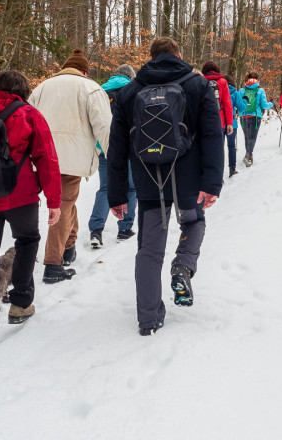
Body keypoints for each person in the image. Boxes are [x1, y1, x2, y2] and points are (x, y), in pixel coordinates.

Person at [107, 37, 224, 336]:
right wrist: (212, 182)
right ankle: (183, 265)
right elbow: (213, 134)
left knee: (149, 250)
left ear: (151, 57)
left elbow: (117, 147)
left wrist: (117, 194)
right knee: (194, 221)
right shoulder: (197, 85)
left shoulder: (130, 91)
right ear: (179, 55)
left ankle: (148, 318)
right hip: (189, 181)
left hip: (148, 182)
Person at [0, 70, 62, 358]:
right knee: (28, 239)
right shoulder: (29, 114)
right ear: (23, 90)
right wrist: (54, 200)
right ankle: (20, 303)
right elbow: (46, 157)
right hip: (19, 194)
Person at [29, 48, 112, 283]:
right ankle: (53, 264)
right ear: (84, 71)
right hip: (71, 159)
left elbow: (28, 119)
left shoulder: (42, 87)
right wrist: (112, 157)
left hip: (40, 156)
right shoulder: (91, 88)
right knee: (64, 205)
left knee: (67, 202)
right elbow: (104, 127)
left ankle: (69, 246)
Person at [89, 64, 138, 248]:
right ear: (130, 76)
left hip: (105, 147)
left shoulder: (99, 91)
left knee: (105, 188)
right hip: (129, 146)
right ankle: (124, 229)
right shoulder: (133, 90)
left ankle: (96, 230)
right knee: (132, 188)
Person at [238, 71, 274, 166]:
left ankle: (248, 154)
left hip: (243, 116)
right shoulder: (260, 90)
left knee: (247, 137)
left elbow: (238, 104)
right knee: (252, 137)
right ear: (257, 80)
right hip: (255, 116)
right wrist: (272, 103)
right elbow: (265, 105)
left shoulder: (242, 90)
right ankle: (249, 155)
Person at [202, 61, 235, 140]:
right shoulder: (223, 82)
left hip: (203, 119)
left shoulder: (201, 81)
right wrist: (229, 123)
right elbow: (227, 103)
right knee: (219, 146)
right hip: (219, 120)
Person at [224, 74, 245, 177]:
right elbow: (241, 108)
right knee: (231, 146)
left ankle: (217, 171)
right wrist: (245, 100)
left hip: (219, 122)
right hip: (232, 123)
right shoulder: (234, 93)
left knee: (218, 147)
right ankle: (232, 169)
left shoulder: (217, 91)